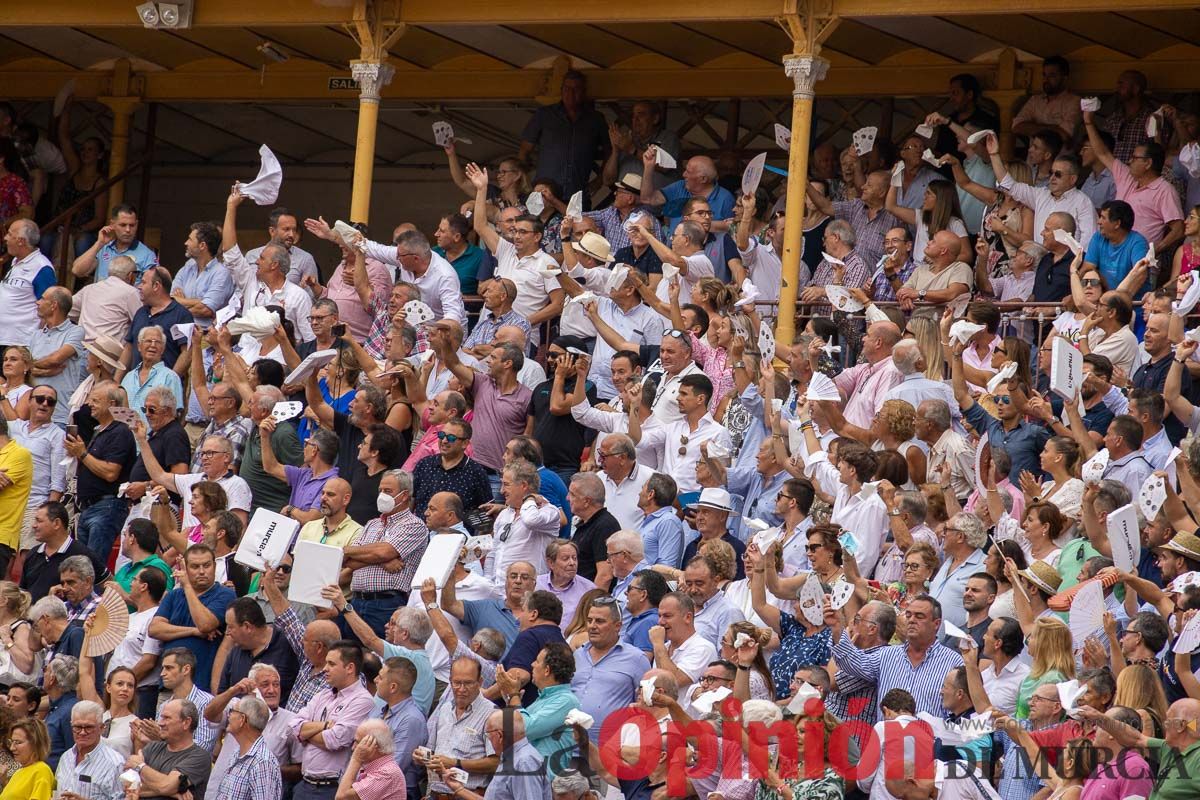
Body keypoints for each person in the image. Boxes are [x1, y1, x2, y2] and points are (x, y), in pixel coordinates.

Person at [288, 640, 376, 800]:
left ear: (350, 668)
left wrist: (305, 734)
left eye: (331, 664)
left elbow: (334, 740)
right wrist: (324, 725)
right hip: (304, 785)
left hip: (331, 789)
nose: (325, 669)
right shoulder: (323, 695)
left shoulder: (362, 700)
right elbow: (293, 727)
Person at [148, 545, 236, 693]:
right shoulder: (174, 595)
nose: (201, 571)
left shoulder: (225, 594)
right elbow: (154, 629)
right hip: (169, 685)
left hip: (202, 686)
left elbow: (205, 624)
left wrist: (187, 586)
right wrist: (193, 631)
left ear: (214, 566)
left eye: (206, 565)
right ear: (186, 569)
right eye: (195, 567)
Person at [128, 698, 214, 800]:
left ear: (186, 723)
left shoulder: (199, 757)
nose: (160, 723)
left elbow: (166, 786)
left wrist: (140, 766)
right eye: (161, 717)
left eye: (167, 718)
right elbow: (127, 784)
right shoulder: (153, 747)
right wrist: (172, 792)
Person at [207, 695, 283, 800]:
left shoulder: (262, 763)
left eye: (232, 711)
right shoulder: (237, 753)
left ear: (242, 719)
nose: (228, 715)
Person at [52, 699, 125, 800]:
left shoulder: (115, 763)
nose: (82, 732)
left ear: (101, 728)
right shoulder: (65, 757)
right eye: (77, 727)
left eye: (89, 727)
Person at [0, 220, 55, 349]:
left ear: (21, 241)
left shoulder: (42, 267)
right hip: (5, 338)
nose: (5, 238)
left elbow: (49, 308)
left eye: (10, 234)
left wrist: (39, 344)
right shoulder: (16, 261)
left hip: (21, 343)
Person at [71, 203, 158, 280]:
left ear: (137, 225)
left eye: (132, 225)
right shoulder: (103, 248)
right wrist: (99, 244)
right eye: (123, 225)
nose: (128, 230)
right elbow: (77, 271)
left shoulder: (147, 255)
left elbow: (153, 287)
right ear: (112, 225)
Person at [0, 718, 52, 800]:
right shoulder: (18, 772)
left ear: (35, 743)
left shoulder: (41, 770)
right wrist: (4, 782)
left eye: (18, 742)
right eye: (11, 742)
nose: (12, 748)